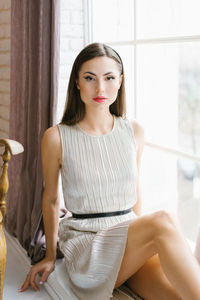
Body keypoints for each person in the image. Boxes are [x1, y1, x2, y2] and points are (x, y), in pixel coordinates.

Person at [20, 43, 200, 300]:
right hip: (88, 247)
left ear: (120, 82)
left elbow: (134, 193)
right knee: (164, 219)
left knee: (178, 295)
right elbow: (50, 199)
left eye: (109, 78)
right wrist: (50, 256)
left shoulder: (134, 131)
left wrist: (144, 240)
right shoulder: (56, 137)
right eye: (90, 78)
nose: (100, 88)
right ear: (77, 83)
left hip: (127, 240)